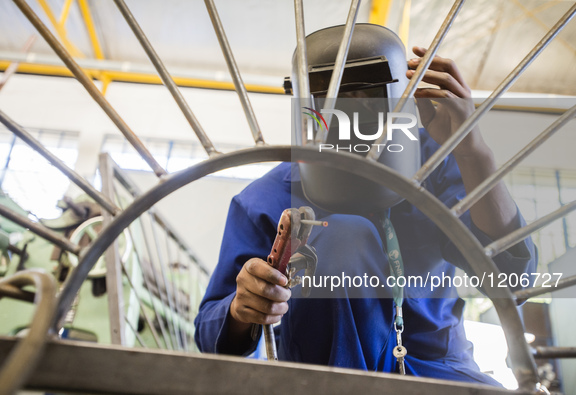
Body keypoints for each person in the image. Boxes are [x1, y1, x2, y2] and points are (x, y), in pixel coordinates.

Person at [194, 24, 537, 386]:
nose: (353, 111)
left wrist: (472, 151)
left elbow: (512, 283)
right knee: (343, 236)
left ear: (401, 95)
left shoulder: (435, 165)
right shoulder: (264, 201)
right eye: (333, 97)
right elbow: (211, 337)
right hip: (325, 372)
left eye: (367, 93)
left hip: (439, 371)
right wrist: (241, 308)